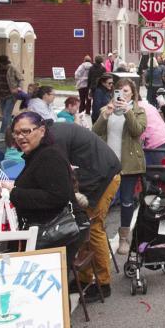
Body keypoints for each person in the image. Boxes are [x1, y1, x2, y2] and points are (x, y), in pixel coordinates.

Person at [2, 111, 88, 266]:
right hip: (45, 231)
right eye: (16, 133)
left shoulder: (49, 156)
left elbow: (57, 197)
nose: (21, 137)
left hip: (54, 234)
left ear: (41, 131)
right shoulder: (36, 154)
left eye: (26, 131)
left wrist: (14, 192)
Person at [50, 121, 122, 301]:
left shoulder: (54, 138)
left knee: (93, 227)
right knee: (81, 225)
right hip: (96, 174)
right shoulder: (54, 132)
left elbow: (60, 172)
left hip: (104, 177)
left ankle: (103, 283)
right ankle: (84, 277)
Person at [93, 78, 147, 254]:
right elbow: (95, 132)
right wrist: (105, 114)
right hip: (108, 163)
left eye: (126, 91)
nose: (122, 94)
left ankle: (124, 237)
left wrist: (127, 111)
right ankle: (98, 235)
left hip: (128, 163)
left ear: (133, 93)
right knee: (102, 200)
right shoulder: (106, 110)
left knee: (126, 201)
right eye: (119, 91)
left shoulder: (138, 111)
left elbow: (136, 131)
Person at [0, 54, 22, 134]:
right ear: (0, 63)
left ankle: (1, 133)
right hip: (1, 96)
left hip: (11, 96)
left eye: (7, 64)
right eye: (5, 64)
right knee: (6, 116)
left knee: (5, 115)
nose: (6, 66)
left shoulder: (12, 68)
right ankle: (13, 131)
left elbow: (20, 79)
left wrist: (18, 88)